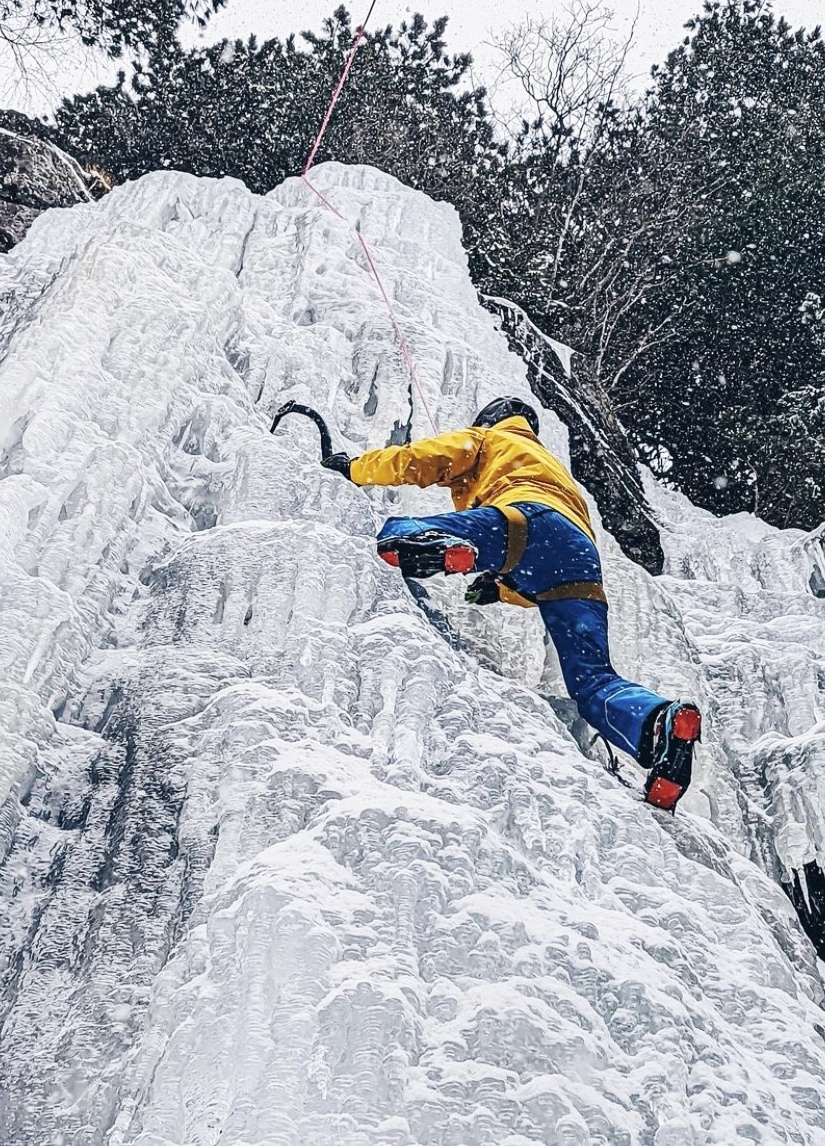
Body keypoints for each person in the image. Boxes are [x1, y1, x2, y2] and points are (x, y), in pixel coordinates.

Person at [321, 396, 701, 810]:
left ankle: (435, 544)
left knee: (399, 530)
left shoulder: (490, 439)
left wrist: (355, 468)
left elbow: (424, 458)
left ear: (491, 420)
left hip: (524, 522)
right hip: (579, 561)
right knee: (593, 682)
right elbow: (540, 573)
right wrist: (501, 590)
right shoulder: (553, 467)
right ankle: (660, 724)